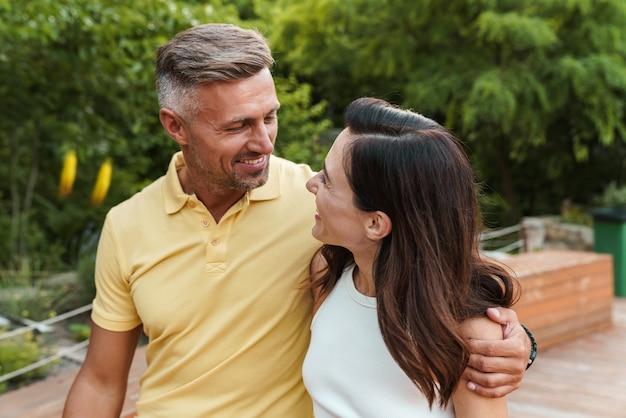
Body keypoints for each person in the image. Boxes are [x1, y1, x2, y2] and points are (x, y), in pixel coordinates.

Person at [63, 24, 534, 418]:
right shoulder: (126, 225)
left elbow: (439, 265)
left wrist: (516, 344)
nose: (264, 142)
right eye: (237, 126)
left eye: (270, 117)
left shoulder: (323, 208)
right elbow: (102, 381)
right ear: (175, 126)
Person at [302, 97, 522, 417]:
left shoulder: (468, 329)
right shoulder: (327, 272)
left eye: (326, 180)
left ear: (375, 223)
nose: (310, 184)